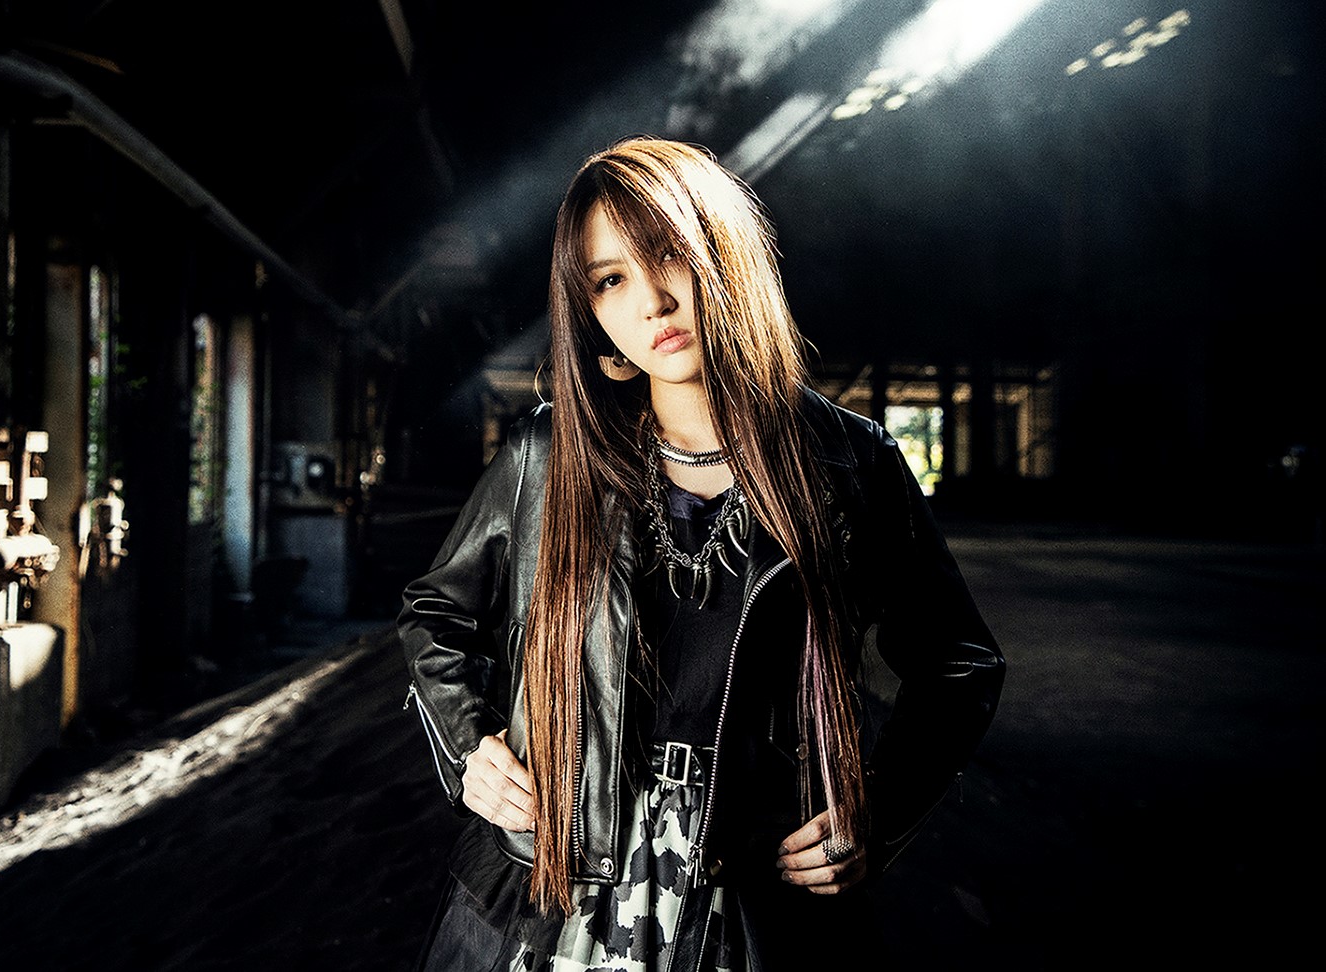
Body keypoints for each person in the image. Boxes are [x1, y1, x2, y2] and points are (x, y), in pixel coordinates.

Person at [398, 136, 1004, 971]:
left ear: (722, 249)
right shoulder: (549, 455)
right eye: (610, 280)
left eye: (666, 254)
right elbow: (434, 613)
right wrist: (470, 748)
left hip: (756, 903)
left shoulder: (851, 463)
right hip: (553, 893)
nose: (652, 300)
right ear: (591, 313)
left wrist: (877, 811)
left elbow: (959, 665)